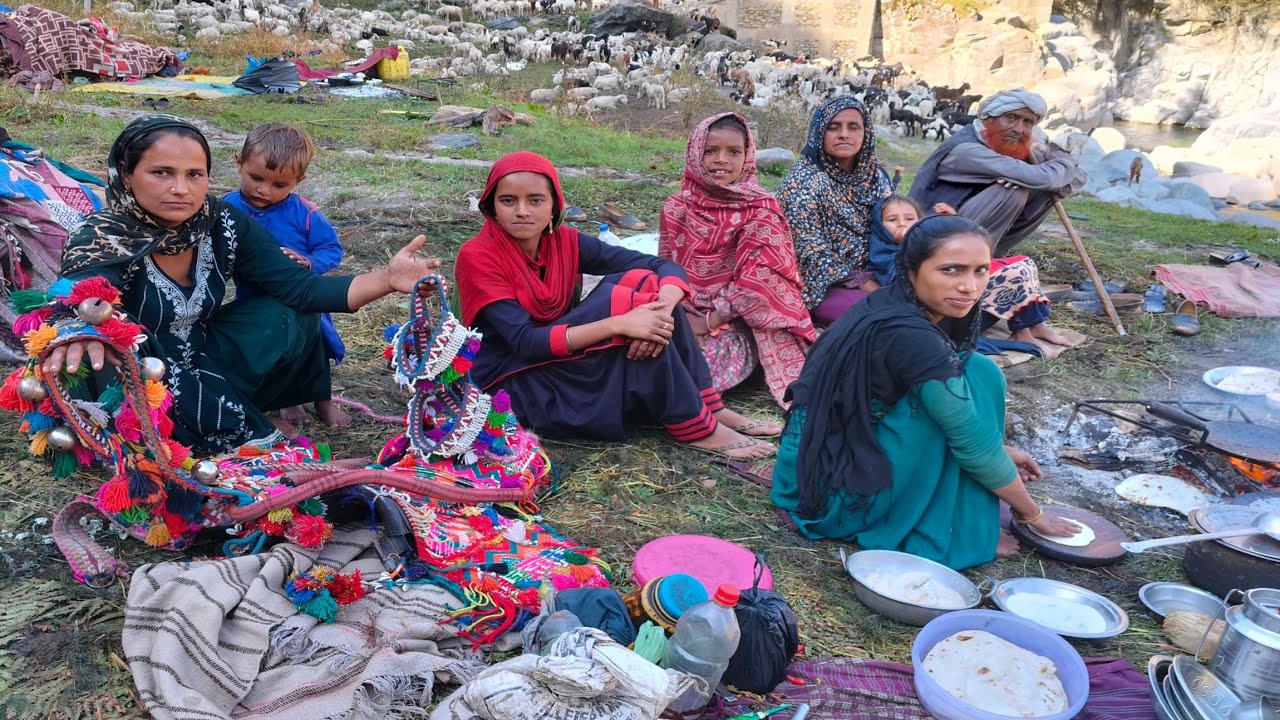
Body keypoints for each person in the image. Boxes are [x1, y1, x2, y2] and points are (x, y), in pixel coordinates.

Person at [44, 115, 443, 454]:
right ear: (127, 175)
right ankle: (202, 429)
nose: (181, 188)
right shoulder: (103, 236)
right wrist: (81, 327)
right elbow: (83, 294)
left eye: (194, 174)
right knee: (130, 348)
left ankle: (236, 408)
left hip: (201, 352)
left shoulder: (219, 221)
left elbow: (301, 288)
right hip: (131, 374)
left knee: (290, 312)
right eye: (161, 172)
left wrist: (388, 279)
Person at [770, 215, 1076, 570]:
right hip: (827, 489)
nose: (969, 287)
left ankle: (961, 500)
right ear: (912, 270)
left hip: (822, 452)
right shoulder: (910, 335)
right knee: (946, 420)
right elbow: (971, 444)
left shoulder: (894, 302)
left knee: (980, 371)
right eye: (951, 270)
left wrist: (999, 449)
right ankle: (957, 530)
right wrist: (1031, 514)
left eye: (980, 270)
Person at [455, 151, 777, 460]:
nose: (522, 211)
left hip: (556, 360)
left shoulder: (564, 242)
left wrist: (661, 308)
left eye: (535, 200)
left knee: (648, 289)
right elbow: (526, 342)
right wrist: (620, 324)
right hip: (514, 383)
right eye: (508, 201)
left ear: (555, 206)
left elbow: (659, 266)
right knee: (622, 304)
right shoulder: (479, 256)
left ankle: (710, 406)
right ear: (492, 207)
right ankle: (698, 429)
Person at [659, 112, 815, 409]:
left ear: (748, 156)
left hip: (736, 321)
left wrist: (706, 323)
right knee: (640, 346)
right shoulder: (676, 206)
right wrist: (679, 319)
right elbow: (667, 267)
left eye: (734, 152)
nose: (722, 160)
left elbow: (759, 285)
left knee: (692, 376)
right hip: (682, 312)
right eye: (710, 151)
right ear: (694, 153)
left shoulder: (760, 211)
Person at [224, 122, 349, 427]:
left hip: (303, 300)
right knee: (270, 353)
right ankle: (286, 401)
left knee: (314, 351)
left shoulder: (305, 214)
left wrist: (308, 262)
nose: (264, 190)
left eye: (279, 185)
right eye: (256, 178)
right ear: (239, 164)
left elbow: (331, 250)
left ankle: (324, 401)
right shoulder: (225, 209)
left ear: (297, 181)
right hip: (254, 301)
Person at [869, 195, 1073, 358]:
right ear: (879, 226)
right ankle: (1022, 332)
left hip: (959, 297)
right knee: (1014, 273)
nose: (902, 224)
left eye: (910, 218)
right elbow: (903, 281)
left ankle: (1034, 326)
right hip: (943, 311)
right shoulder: (883, 251)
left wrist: (951, 224)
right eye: (892, 220)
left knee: (1023, 263)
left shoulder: (923, 242)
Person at [908, 88, 1088, 258]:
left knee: (1045, 191)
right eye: (1011, 118)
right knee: (1015, 189)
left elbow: (1078, 178)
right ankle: (970, 259)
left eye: (1027, 122)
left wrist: (1060, 167)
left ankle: (991, 257)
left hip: (965, 228)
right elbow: (1046, 177)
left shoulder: (1008, 145)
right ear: (988, 118)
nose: (1019, 129)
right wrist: (1065, 162)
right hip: (929, 237)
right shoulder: (966, 150)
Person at [777, 96, 893, 327]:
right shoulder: (802, 184)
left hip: (879, 272)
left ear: (866, 132)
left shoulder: (876, 179)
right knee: (888, 316)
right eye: (834, 127)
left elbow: (892, 230)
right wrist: (870, 286)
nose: (844, 134)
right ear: (819, 132)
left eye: (853, 127)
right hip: (823, 285)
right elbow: (812, 255)